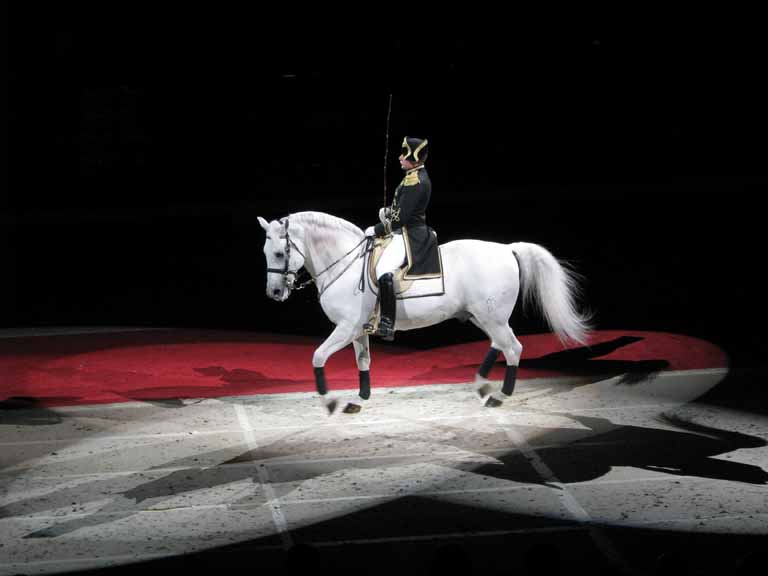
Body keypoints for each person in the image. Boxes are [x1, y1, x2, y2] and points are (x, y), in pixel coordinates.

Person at [364, 136, 433, 340]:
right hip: (405, 228)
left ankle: (386, 322)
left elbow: (401, 219)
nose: (400, 157)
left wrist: (376, 229)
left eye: (404, 153)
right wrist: (388, 211)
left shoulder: (416, 180)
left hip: (409, 234)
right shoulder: (413, 175)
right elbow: (403, 209)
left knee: (384, 270)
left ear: (413, 155)